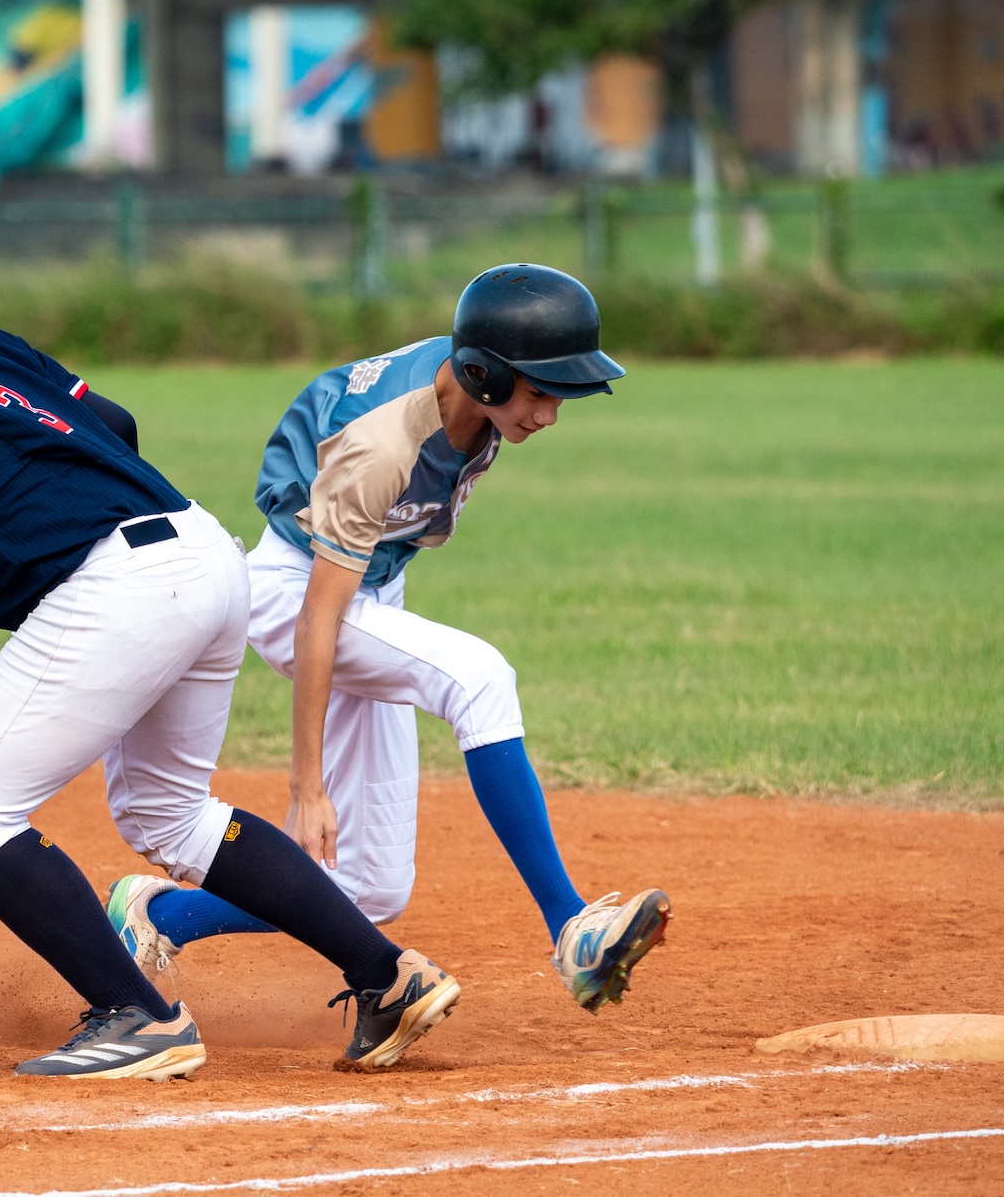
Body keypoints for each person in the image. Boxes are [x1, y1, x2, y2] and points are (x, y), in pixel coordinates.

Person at [0, 238, 461, 1079]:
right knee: (169, 814)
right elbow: (116, 426)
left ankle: (138, 1016)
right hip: (205, 552)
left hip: (123, 587)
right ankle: (387, 974)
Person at [108, 265, 670, 1014]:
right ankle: (571, 926)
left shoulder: (475, 387)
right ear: (484, 373)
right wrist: (306, 786)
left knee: (370, 887)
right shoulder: (381, 443)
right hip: (296, 591)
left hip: (365, 586)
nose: (549, 415)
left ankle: (157, 916)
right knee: (478, 678)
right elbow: (317, 617)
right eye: (540, 393)